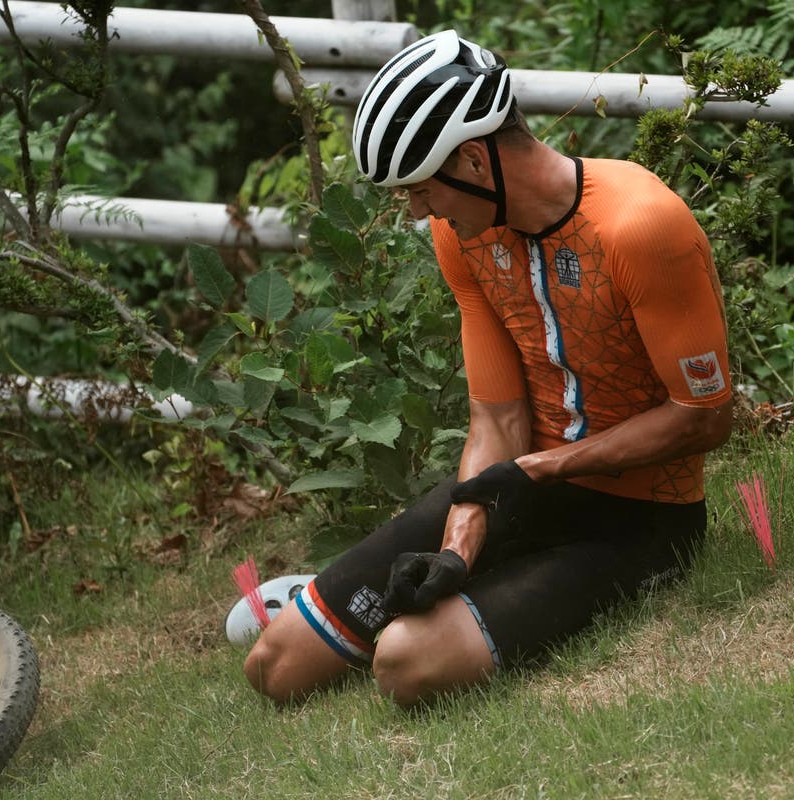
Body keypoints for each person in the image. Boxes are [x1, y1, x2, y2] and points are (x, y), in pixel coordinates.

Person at [244, 29, 733, 707]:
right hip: (515, 489)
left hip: (641, 518)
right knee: (276, 668)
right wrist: (460, 544)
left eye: (419, 189)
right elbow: (498, 415)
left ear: (473, 160)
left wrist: (537, 470)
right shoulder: (463, 235)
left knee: (406, 665)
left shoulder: (642, 227)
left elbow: (704, 417)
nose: (417, 211)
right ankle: (455, 581)